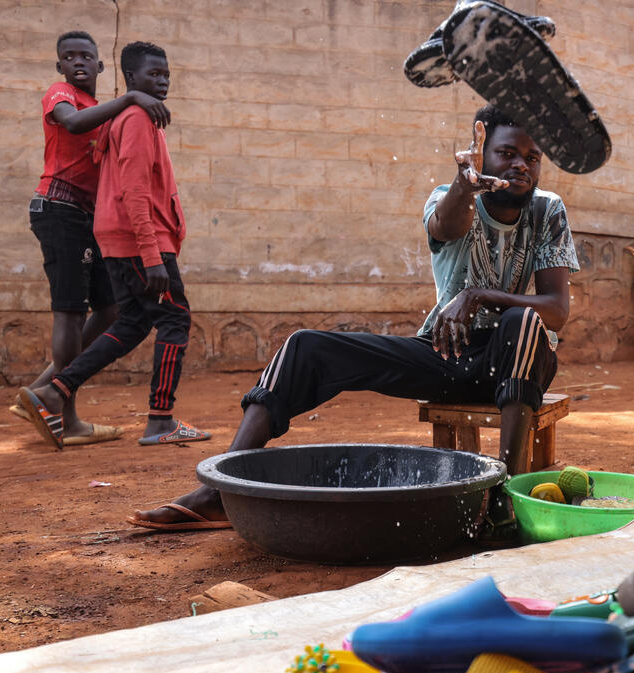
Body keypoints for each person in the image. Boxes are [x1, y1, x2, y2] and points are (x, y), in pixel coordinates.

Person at [128, 105, 577, 533]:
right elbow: (447, 225)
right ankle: (216, 493)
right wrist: (465, 183)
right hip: (449, 354)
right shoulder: (449, 197)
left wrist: (479, 295)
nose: (521, 165)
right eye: (507, 153)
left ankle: (504, 497)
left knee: (524, 321)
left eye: (532, 158)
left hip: (520, 362)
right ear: (481, 154)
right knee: (305, 347)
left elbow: (556, 310)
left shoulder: (548, 209)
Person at [18, 42, 209, 450]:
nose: (161, 81)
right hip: (138, 240)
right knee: (175, 320)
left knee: (131, 322)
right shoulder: (136, 117)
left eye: (166, 74)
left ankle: (55, 390)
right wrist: (152, 254)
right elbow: (135, 191)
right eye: (152, 75)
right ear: (130, 80)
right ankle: (161, 420)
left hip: (116, 237)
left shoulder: (119, 118)